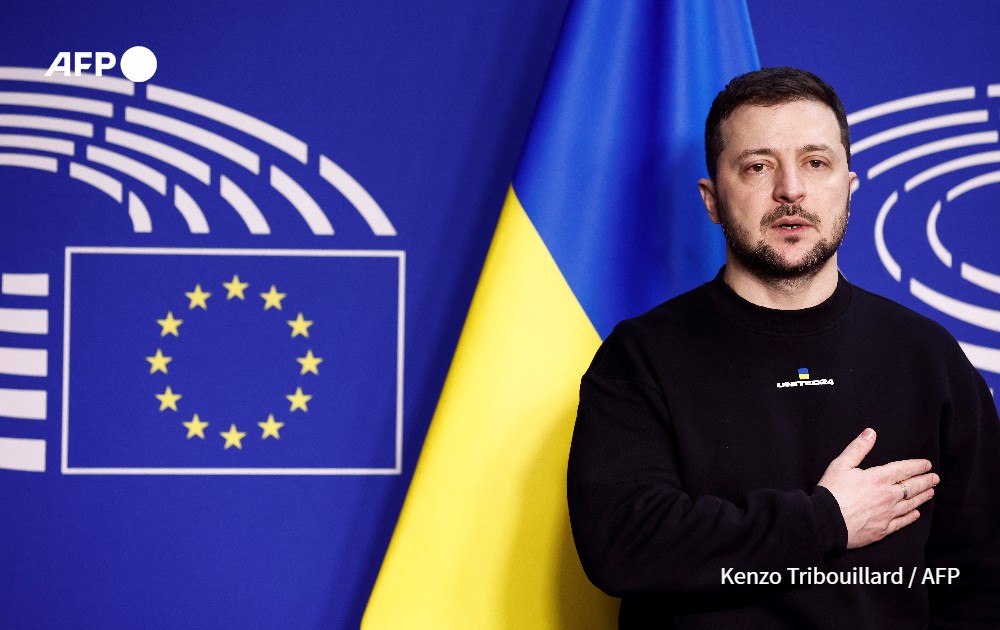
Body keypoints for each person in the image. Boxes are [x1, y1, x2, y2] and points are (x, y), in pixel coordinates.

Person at [567, 67, 1000, 629]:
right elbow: (622, 546)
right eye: (757, 166)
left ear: (849, 187)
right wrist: (824, 521)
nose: (790, 189)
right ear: (712, 200)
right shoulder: (641, 356)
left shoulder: (929, 358)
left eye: (816, 163)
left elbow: (984, 580)